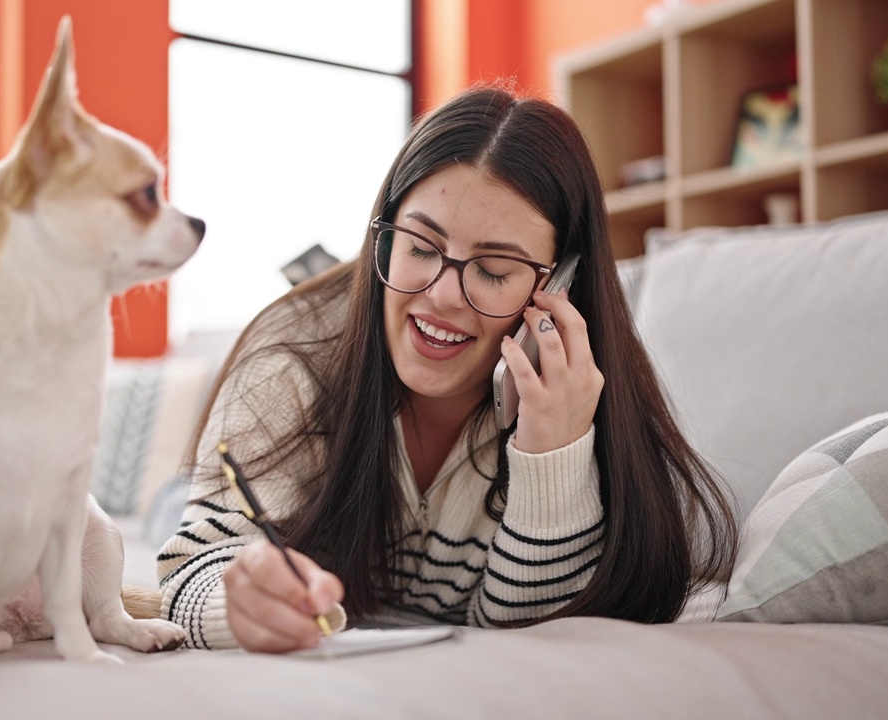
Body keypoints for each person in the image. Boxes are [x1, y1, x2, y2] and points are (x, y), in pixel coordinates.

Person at [156, 83, 738, 652]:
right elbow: (191, 567)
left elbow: (533, 637)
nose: (441, 296)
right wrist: (238, 603)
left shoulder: (581, 401)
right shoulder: (289, 356)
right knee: (168, 506)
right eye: (419, 247)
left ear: (558, 284)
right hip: (250, 471)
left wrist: (552, 457)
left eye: (493, 269)